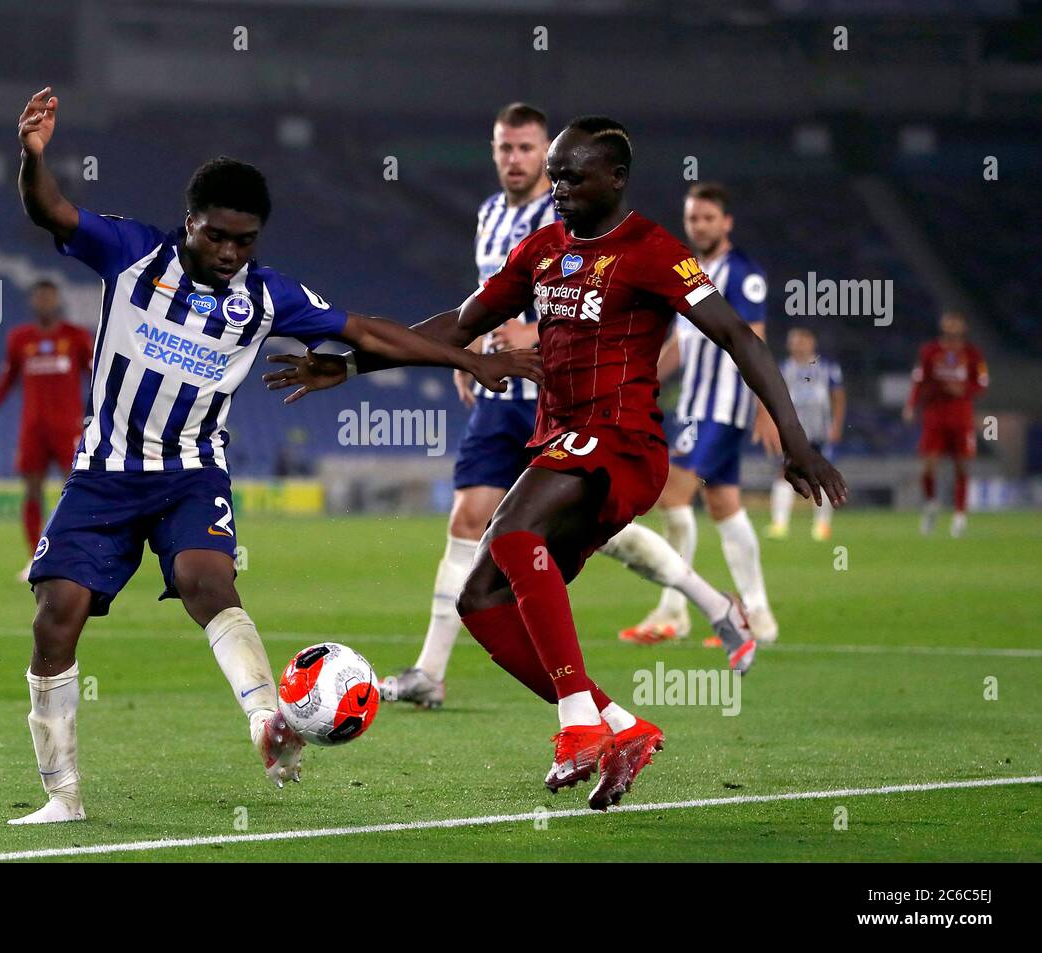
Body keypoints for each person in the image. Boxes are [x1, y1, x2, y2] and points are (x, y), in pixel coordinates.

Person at [265, 117, 845, 809]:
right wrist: (354, 363)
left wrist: (797, 436)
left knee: (510, 533)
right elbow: (462, 321)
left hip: (624, 441)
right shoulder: (541, 247)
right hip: (562, 440)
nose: (561, 187)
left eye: (575, 175)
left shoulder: (654, 251)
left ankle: (576, 724)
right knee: (481, 600)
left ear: (616, 179)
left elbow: (736, 338)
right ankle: (622, 726)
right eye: (558, 174)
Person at [9, 86, 538, 824]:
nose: (230, 252)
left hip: (191, 469)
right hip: (106, 469)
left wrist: (465, 358)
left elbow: (367, 330)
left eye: (245, 240)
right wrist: (33, 157)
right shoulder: (131, 253)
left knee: (207, 581)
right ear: (190, 221)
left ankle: (269, 723)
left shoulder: (264, 296)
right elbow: (51, 210)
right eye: (218, 235)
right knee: (54, 616)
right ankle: (62, 793)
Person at [386, 104, 754, 709]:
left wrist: (534, 333)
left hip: (579, 407)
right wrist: (465, 356)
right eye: (504, 148)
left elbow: (583, 309)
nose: (516, 161)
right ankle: (436, 671)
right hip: (506, 400)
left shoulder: (579, 217)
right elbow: (478, 307)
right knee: (472, 524)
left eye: (526, 149)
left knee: (570, 536)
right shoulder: (490, 217)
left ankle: (706, 610)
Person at [619, 182, 781, 645]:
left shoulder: (743, 273)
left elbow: (754, 341)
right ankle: (760, 617)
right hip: (695, 408)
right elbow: (680, 346)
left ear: (726, 222)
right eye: (692, 218)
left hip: (722, 408)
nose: (699, 225)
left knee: (672, 495)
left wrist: (767, 408)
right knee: (723, 505)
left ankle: (674, 612)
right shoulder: (688, 273)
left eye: (708, 218)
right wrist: (639, 378)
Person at [0, 279, 93, 580]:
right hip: (33, 429)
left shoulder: (76, 337)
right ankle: (37, 557)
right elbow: (5, 383)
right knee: (32, 489)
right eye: (39, 298)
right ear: (33, 302)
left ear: (57, 300)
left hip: (66, 428)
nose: (44, 303)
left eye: (49, 297)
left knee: (75, 491)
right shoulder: (20, 339)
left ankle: (76, 555)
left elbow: (97, 379)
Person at [903, 310, 988, 537]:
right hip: (935, 416)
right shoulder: (930, 351)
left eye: (955, 322)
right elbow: (918, 380)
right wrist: (911, 405)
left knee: (962, 466)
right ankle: (931, 505)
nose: (951, 326)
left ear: (963, 326)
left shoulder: (972, 353)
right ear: (942, 325)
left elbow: (982, 383)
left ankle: (960, 517)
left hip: (961, 417)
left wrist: (965, 389)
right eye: (948, 322)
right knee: (928, 466)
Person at [766, 327, 845, 541]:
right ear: (789, 344)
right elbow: (769, 398)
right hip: (792, 432)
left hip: (820, 431)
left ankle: (822, 526)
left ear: (812, 343)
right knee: (784, 474)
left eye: (803, 340)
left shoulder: (828, 368)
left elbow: (838, 397)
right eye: (795, 341)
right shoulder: (782, 369)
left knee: (823, 474)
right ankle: (779, 524)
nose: (799, 345)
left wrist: (837, 425)